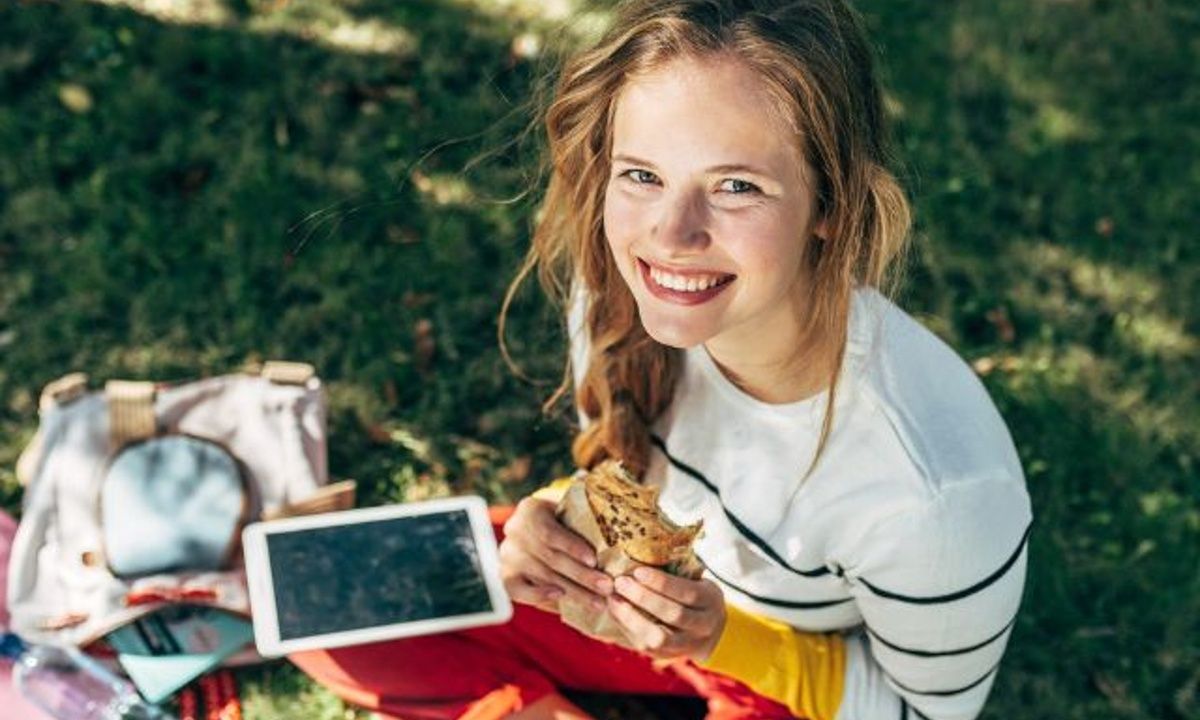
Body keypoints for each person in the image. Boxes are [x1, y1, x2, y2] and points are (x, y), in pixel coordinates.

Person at [292, 1, 1032, 718]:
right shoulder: (622, 291)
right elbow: (630, 472)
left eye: (736, 187)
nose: (671, 237)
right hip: (637, 597)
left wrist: (721, 640)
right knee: (319, 590)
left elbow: (919, 713)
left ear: (832, 206)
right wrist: (558, 523)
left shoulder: (934, 493)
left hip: (788, 680)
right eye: (643, 175)